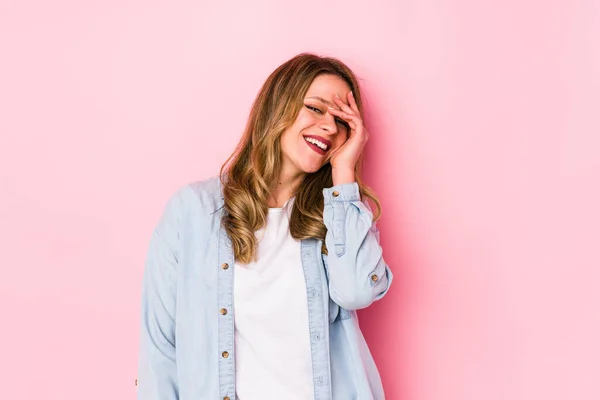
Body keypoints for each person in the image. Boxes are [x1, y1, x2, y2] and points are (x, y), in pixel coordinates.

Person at [137, 53, 393, 400]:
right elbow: (160, 349)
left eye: (341, 120)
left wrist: (344, 175)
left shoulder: (336, 218)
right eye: (315, 108)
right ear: (278, 107)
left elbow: (356, 291)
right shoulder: (194, 212)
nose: (330, 127)